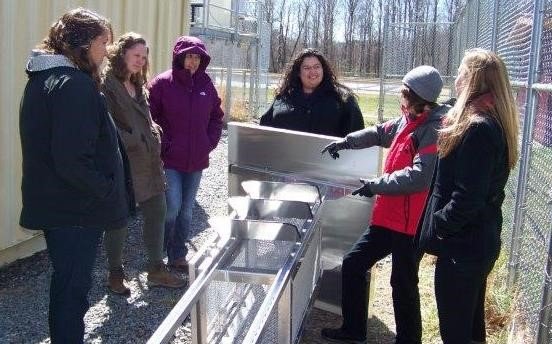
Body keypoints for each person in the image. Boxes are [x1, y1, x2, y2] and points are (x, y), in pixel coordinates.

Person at [19, 8, 133, 343]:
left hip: (64, 207)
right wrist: (107, 189)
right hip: (76, 211)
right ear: (81, 43)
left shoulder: (45, 80)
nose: (106, 51)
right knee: (72, 292)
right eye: (102, 43)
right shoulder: (72, 85)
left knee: (68, 287)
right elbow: (72, 161)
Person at [321, 66, 449, 344]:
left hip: (410, 222)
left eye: (404, 92)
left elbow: (419, 177)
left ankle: (409, 340)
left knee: (403, 284)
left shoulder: (433, 128)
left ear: (416, 97)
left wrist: (375, 184)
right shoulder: (408, 120)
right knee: (353, 263)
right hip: (388, 217)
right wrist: (345, 142)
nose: (400, 97)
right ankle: (353, 330)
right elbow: (380, 132)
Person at [416, 49, 519, 344]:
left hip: (463, 248)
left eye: (462, 71)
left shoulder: (478, 128)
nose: (457, 77)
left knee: (455, 331)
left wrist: (438, 226)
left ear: (474, 79)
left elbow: (467, 199)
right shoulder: (484, 119)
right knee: (470, 327)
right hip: (474, 244)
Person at [101, 32, 186, 294]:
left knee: (158, 212)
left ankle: (155, 270)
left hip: (149, 161)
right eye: (136, 55)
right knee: (119, 220)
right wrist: (133, 138)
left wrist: (153, 130)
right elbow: (105, 126)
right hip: (123, 163)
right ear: (121, 54)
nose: (140, 61)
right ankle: (115, 273)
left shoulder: (138, 84)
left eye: (144, 56)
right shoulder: (107, 85)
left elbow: (144, 119)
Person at [148, 36, 224, 271]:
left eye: (197, 57)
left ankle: (178, 254)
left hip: (197, 160)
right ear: (179, 57)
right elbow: (149, 119)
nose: (193, 62)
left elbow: (216, 117)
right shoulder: (162, 83)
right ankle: (158, 252)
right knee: (172, 207)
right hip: (170, 159)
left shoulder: (206, 85)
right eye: (189, 56)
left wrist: (208, 142)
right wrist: (163, 146)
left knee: (187, 210)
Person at [260, 48, 365, 137]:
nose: (312, 72)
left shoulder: (343, 99)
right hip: (285, 158)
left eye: (317, 67)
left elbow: (357, 136)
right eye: (306, 68)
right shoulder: (284, 97)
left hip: (330, 160)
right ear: (298, 72)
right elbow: (264, 129)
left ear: (323, 70)